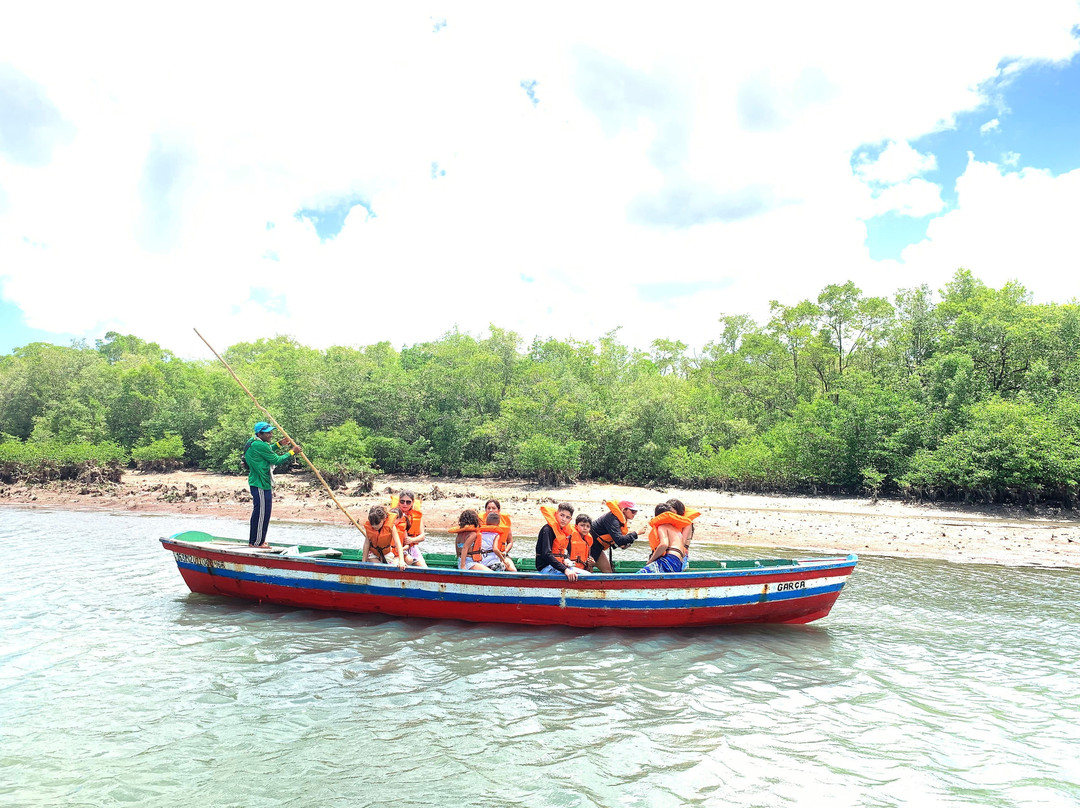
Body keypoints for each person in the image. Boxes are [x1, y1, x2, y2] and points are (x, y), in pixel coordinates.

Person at [243, 421, 299, 547]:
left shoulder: (253, 441)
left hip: (258, 482)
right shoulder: (259, 445)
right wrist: (292, 452)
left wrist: (279, 444)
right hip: (261, 483)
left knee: (261, 513)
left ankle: (256, 540)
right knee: (262, 514)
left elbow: (266, 450)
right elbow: (276, 460)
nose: (271, 434)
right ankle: (257, 542)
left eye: (271, 432)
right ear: (260, 433)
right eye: (268, 433)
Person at [535, 503, 590, 581]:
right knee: (578, 577)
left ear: (570, 520)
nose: (564, 519)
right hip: (546, 568)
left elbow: (563, 551)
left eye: (567, 517)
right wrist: (565, 570)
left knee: (587, 575)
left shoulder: (563, 531)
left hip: (559, 566)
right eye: (562, 515)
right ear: (557, 514)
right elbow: (546, 554)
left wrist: (566, 559)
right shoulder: (547, 529)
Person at [638, 502, 691, 574]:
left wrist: (651, 560)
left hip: (670, 560)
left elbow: (664, 545)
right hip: (679, 563)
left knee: (640, 574)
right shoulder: (677, 530)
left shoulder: (662, 526)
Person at [589, 500, 639, 573]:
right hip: (589, 546)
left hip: (598, 547)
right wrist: (636, 533)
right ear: (624, 510)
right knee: (588, 570)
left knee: (608, 572)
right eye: (633, 511)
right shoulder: (612, 519)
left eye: (636, 512)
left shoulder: (618, 520)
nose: (634, 514)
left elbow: (616, 540)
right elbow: (619, 540)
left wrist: (621, 545)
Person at [361, 505, 406, 570]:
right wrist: (363, 561)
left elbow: (398, 543)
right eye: (372, 524)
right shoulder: (370, 527)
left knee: (394, 565)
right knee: (375, 563)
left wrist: (401, 560)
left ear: (384, 518)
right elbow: (366, 544)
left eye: (377, 523)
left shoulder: (391, 526)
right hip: (374, 554)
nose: (374, 526)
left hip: (386, 553)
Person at [391, 490, 428, 568]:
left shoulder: (416, 516)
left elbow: (422, 536)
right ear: (399, 502)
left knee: (424, 568)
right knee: (398, 564)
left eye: (408, 502)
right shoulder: (393, 514)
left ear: (412, 502)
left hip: (411, 547)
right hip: (395, 548)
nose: (405, 504)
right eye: (402, 501)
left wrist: (412, 540)